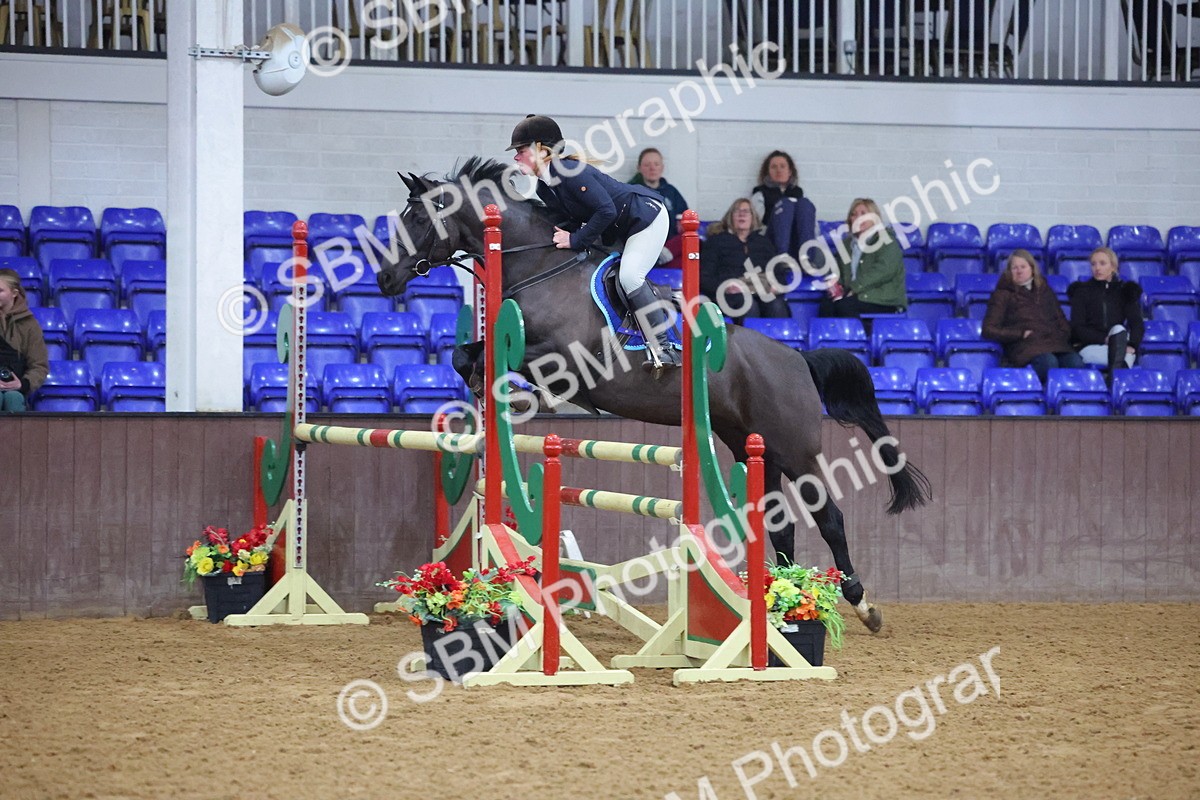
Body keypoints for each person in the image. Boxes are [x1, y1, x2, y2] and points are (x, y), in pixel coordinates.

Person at [507, 114, 680, 373]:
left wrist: (575, 239)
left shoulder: (570, 173)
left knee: (630, 277)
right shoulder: (543, 188)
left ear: (540, 149)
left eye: (521, 150)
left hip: (646, 217)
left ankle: (665, 347)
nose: (516, 157)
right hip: (618, 229)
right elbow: (563, 224)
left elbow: (606, 211)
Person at [982, 249, 1084, 384]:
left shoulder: (1045, 291)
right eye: (1014, 268)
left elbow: (1060, 319)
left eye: (1023, 267)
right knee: (1049, 363)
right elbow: (988, 329)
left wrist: (1062, 334)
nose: (1019, 271)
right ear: (1009, 272)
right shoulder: (1002, 295)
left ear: (1032, 268)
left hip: (1055, 343)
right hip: (1024, 346)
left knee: (1075, 362)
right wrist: (1020, 334)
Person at [700, 198, 790, 322]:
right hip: (729, 296)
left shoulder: (763, 243)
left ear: (753, 218)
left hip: (761, 292)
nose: (742, 214)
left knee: (777, 306)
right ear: (730, 217)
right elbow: (705, 277)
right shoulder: (716, 242)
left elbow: (779, 273)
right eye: (737, 211)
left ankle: (777, 341)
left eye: (746, 211)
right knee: (749, 305)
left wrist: (775, 286)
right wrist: (726, 286)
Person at [817, 198, 907, 319]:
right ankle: (833, 338)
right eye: (854, 214)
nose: (858, 218)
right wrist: (835, 284)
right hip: (854, 296)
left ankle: (859, 337)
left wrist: (854, 289)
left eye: (863, 214)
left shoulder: (886, 240)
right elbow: (840, 273)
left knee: (845, 306)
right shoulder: (845, 245)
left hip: (881, 299)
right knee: (826, 304)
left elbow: (884, 270)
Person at [1068, 246, 1143, 377]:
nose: (1097, 268)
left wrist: (1132, 345)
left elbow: (1137, 324)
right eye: (1093, 264)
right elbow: (1077, 327)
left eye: (1102, 263)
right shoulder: (1081, 292)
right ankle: (1116, 380)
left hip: (1120, 345)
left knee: (1119, 330)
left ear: (1113, 267)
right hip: (1091, 346)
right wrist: (1105, 339)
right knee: (1122, 358)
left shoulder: (1125, 291)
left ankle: (1112, 379)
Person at [750, 150, 817, 261]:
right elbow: (755, 226)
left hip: (797, 243)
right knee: (785, 205)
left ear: (790, 171)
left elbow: (812, 226)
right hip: (772, 243)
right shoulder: (760, 194)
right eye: (774, 167)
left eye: (782, 166)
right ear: (768, 172)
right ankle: (782, 258)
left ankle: (807, 259)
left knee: (804, 204)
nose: (779, 170)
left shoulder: (800, 193)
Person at [0, 268, 49, 412]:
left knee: (13, 399)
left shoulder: (29, 325)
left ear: (14, 293)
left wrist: (22, 384)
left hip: (15, 389)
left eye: (0, 291)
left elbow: (39, 365)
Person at [629, 147, 688, 237]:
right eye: (647, 165)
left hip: (670, 244)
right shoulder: (632, 192)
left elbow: (684, 215)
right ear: (639, 168)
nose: (652, 168)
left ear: (662, 168)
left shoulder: (671, 191)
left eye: (656, 164)